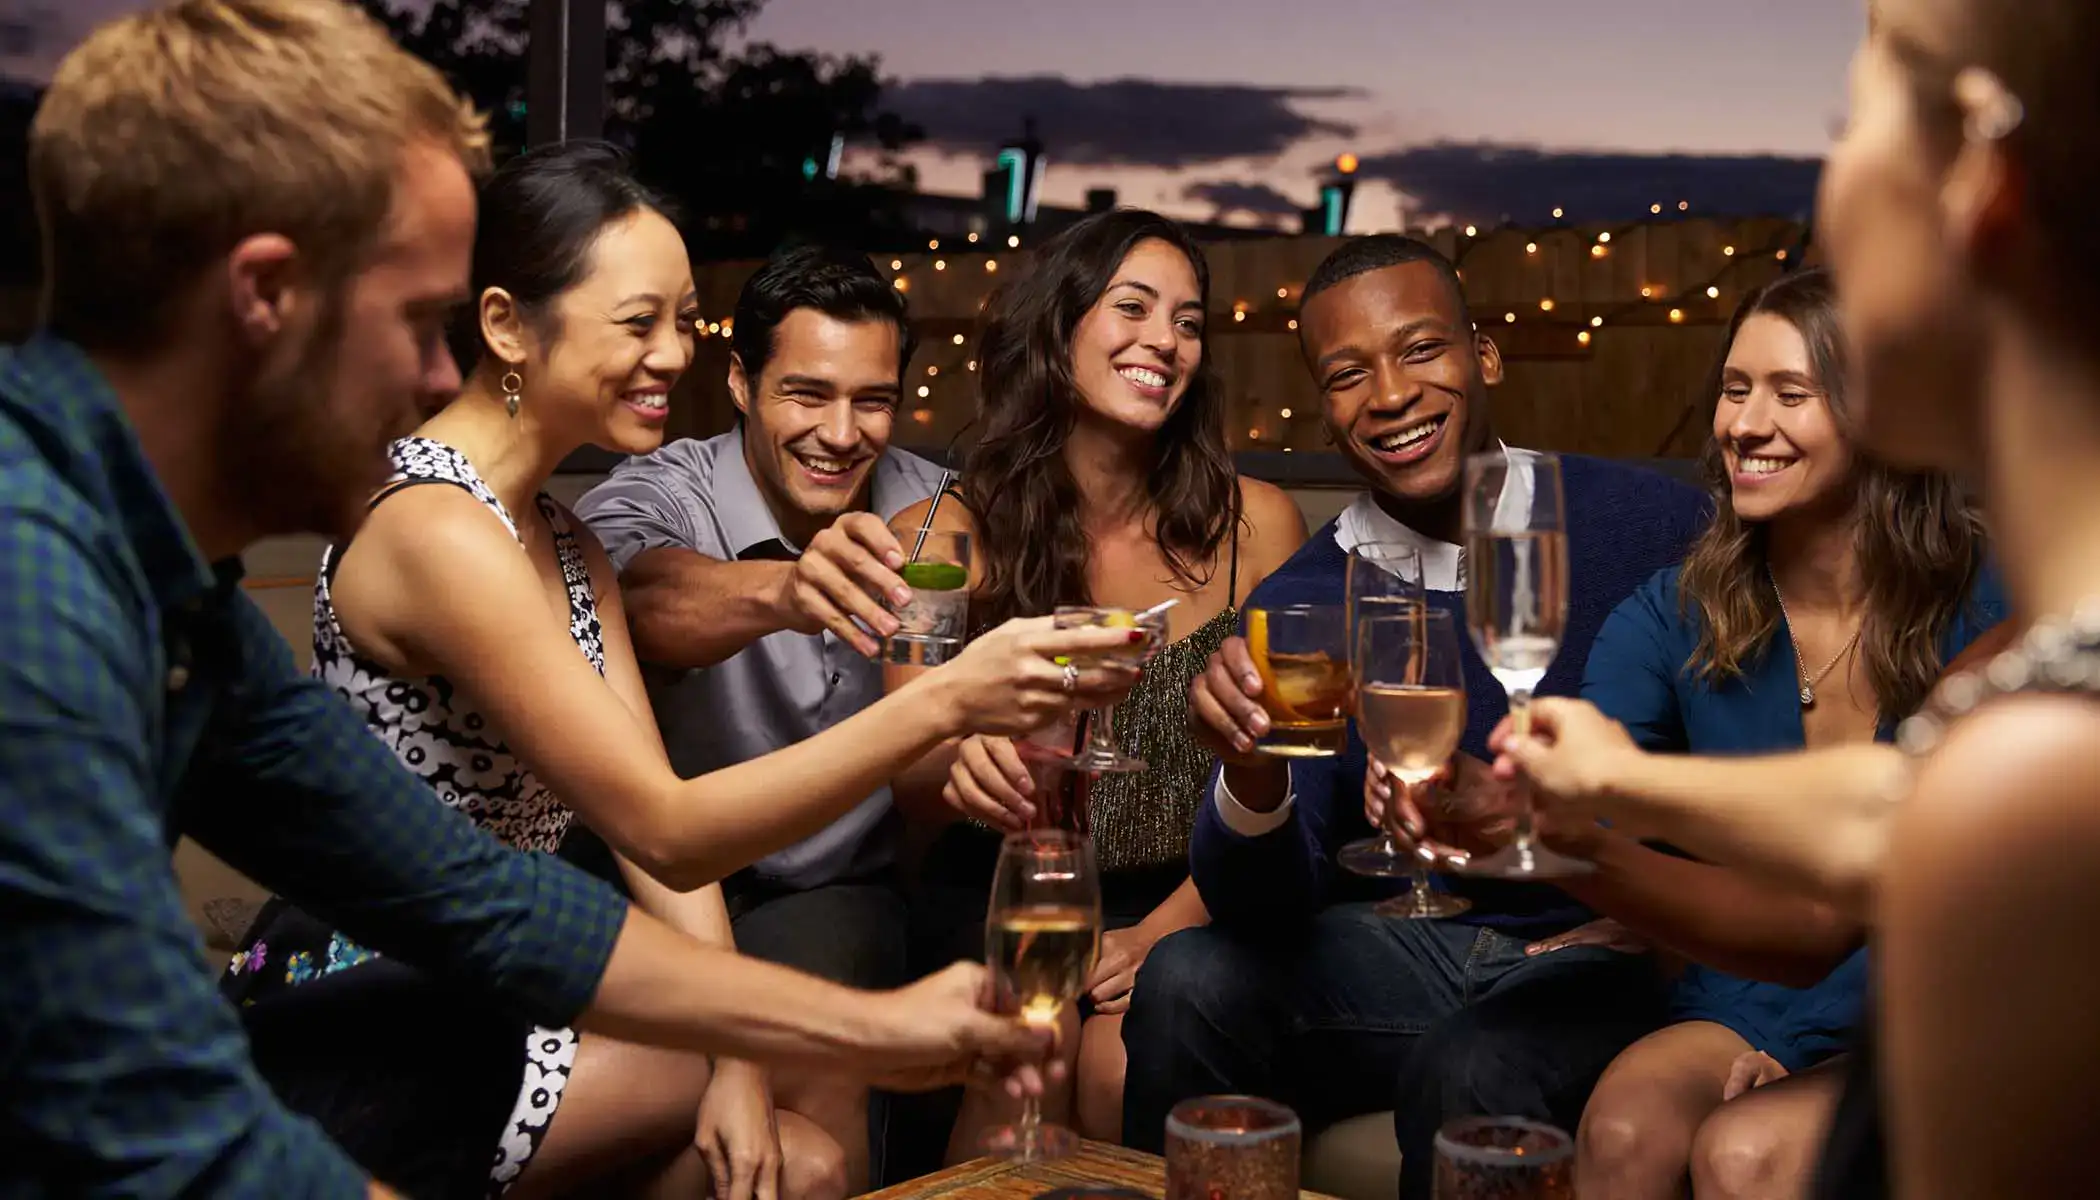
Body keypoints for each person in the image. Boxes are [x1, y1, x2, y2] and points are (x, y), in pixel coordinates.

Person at [0, 3, 1118, 1195]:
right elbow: (130, 1117)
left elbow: (479, 901)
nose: (440, 381)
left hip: (421, 1014)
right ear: (265, 297)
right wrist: (943, 707)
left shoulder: (169, 583)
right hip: (296, 1058)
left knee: (768, 1148)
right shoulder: (35, 599)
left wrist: (867, 1029)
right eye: (412, 322)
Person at [1497, 0, 2100, 1192]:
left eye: (1850, 117)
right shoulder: (2034, 711)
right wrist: (1604, 790)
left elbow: (1919, 824)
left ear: (1977, 185)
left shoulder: (2039, 779)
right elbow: (1892, 814)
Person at [1119, 233, 1711, 1194]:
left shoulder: (1648, 527)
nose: (1389, 395)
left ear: (1484, 356)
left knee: (1475, 1066)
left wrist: (1664, 917)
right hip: (1408, 946)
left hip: (1605, 943)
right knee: (1186, 982)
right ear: (1325, 406)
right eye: (1348, 374)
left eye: (1421, 350)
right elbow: (1267, 906)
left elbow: (1741, 750)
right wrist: (1255, 771)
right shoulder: (1308, 598)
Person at [1506, 268, 2001, 1199]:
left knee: (1741, 1154)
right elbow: (1586, 789)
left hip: (1923, 1002)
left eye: (1790, 393)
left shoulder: (1986, 605)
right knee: (1620, 1128)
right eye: (1735, 390)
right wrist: (1515, 810)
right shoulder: (1679, 610)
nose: (1745, 423)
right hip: (1744, 989)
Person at [888, 209, 1308, 1153]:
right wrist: (959, 745)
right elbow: (904, 775)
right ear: (1059, 325)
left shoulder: (1260, 530)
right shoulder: (936, 536)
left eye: (1189, 321)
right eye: (1134, 307)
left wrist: (1164, 928)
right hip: (1003, 885)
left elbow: (1291, 775)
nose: (1165, 339)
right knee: (1025, 1058)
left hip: (1185, 893)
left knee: (1125, 1067)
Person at [572, 242, 947, 1190]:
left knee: (822, 998)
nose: (842, 431)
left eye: (873, 400)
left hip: (832, 890)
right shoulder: (663, 488)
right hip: (654, 883)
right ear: (740, 383)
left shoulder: (933, 507)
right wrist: (787, 588)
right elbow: (642, 602)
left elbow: (937, 716)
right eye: (806, 394)